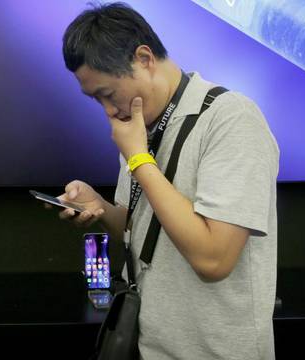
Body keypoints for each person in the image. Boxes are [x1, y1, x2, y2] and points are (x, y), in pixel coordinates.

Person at [55, 2, 279, 359]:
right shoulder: (140, 129)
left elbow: (214, 260)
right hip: (149, 347)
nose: (109, 112)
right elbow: (143, 233)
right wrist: (99, 207)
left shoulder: (231, 119)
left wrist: (140, 160)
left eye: (109, 94)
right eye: (95, 99)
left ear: (144, 58)